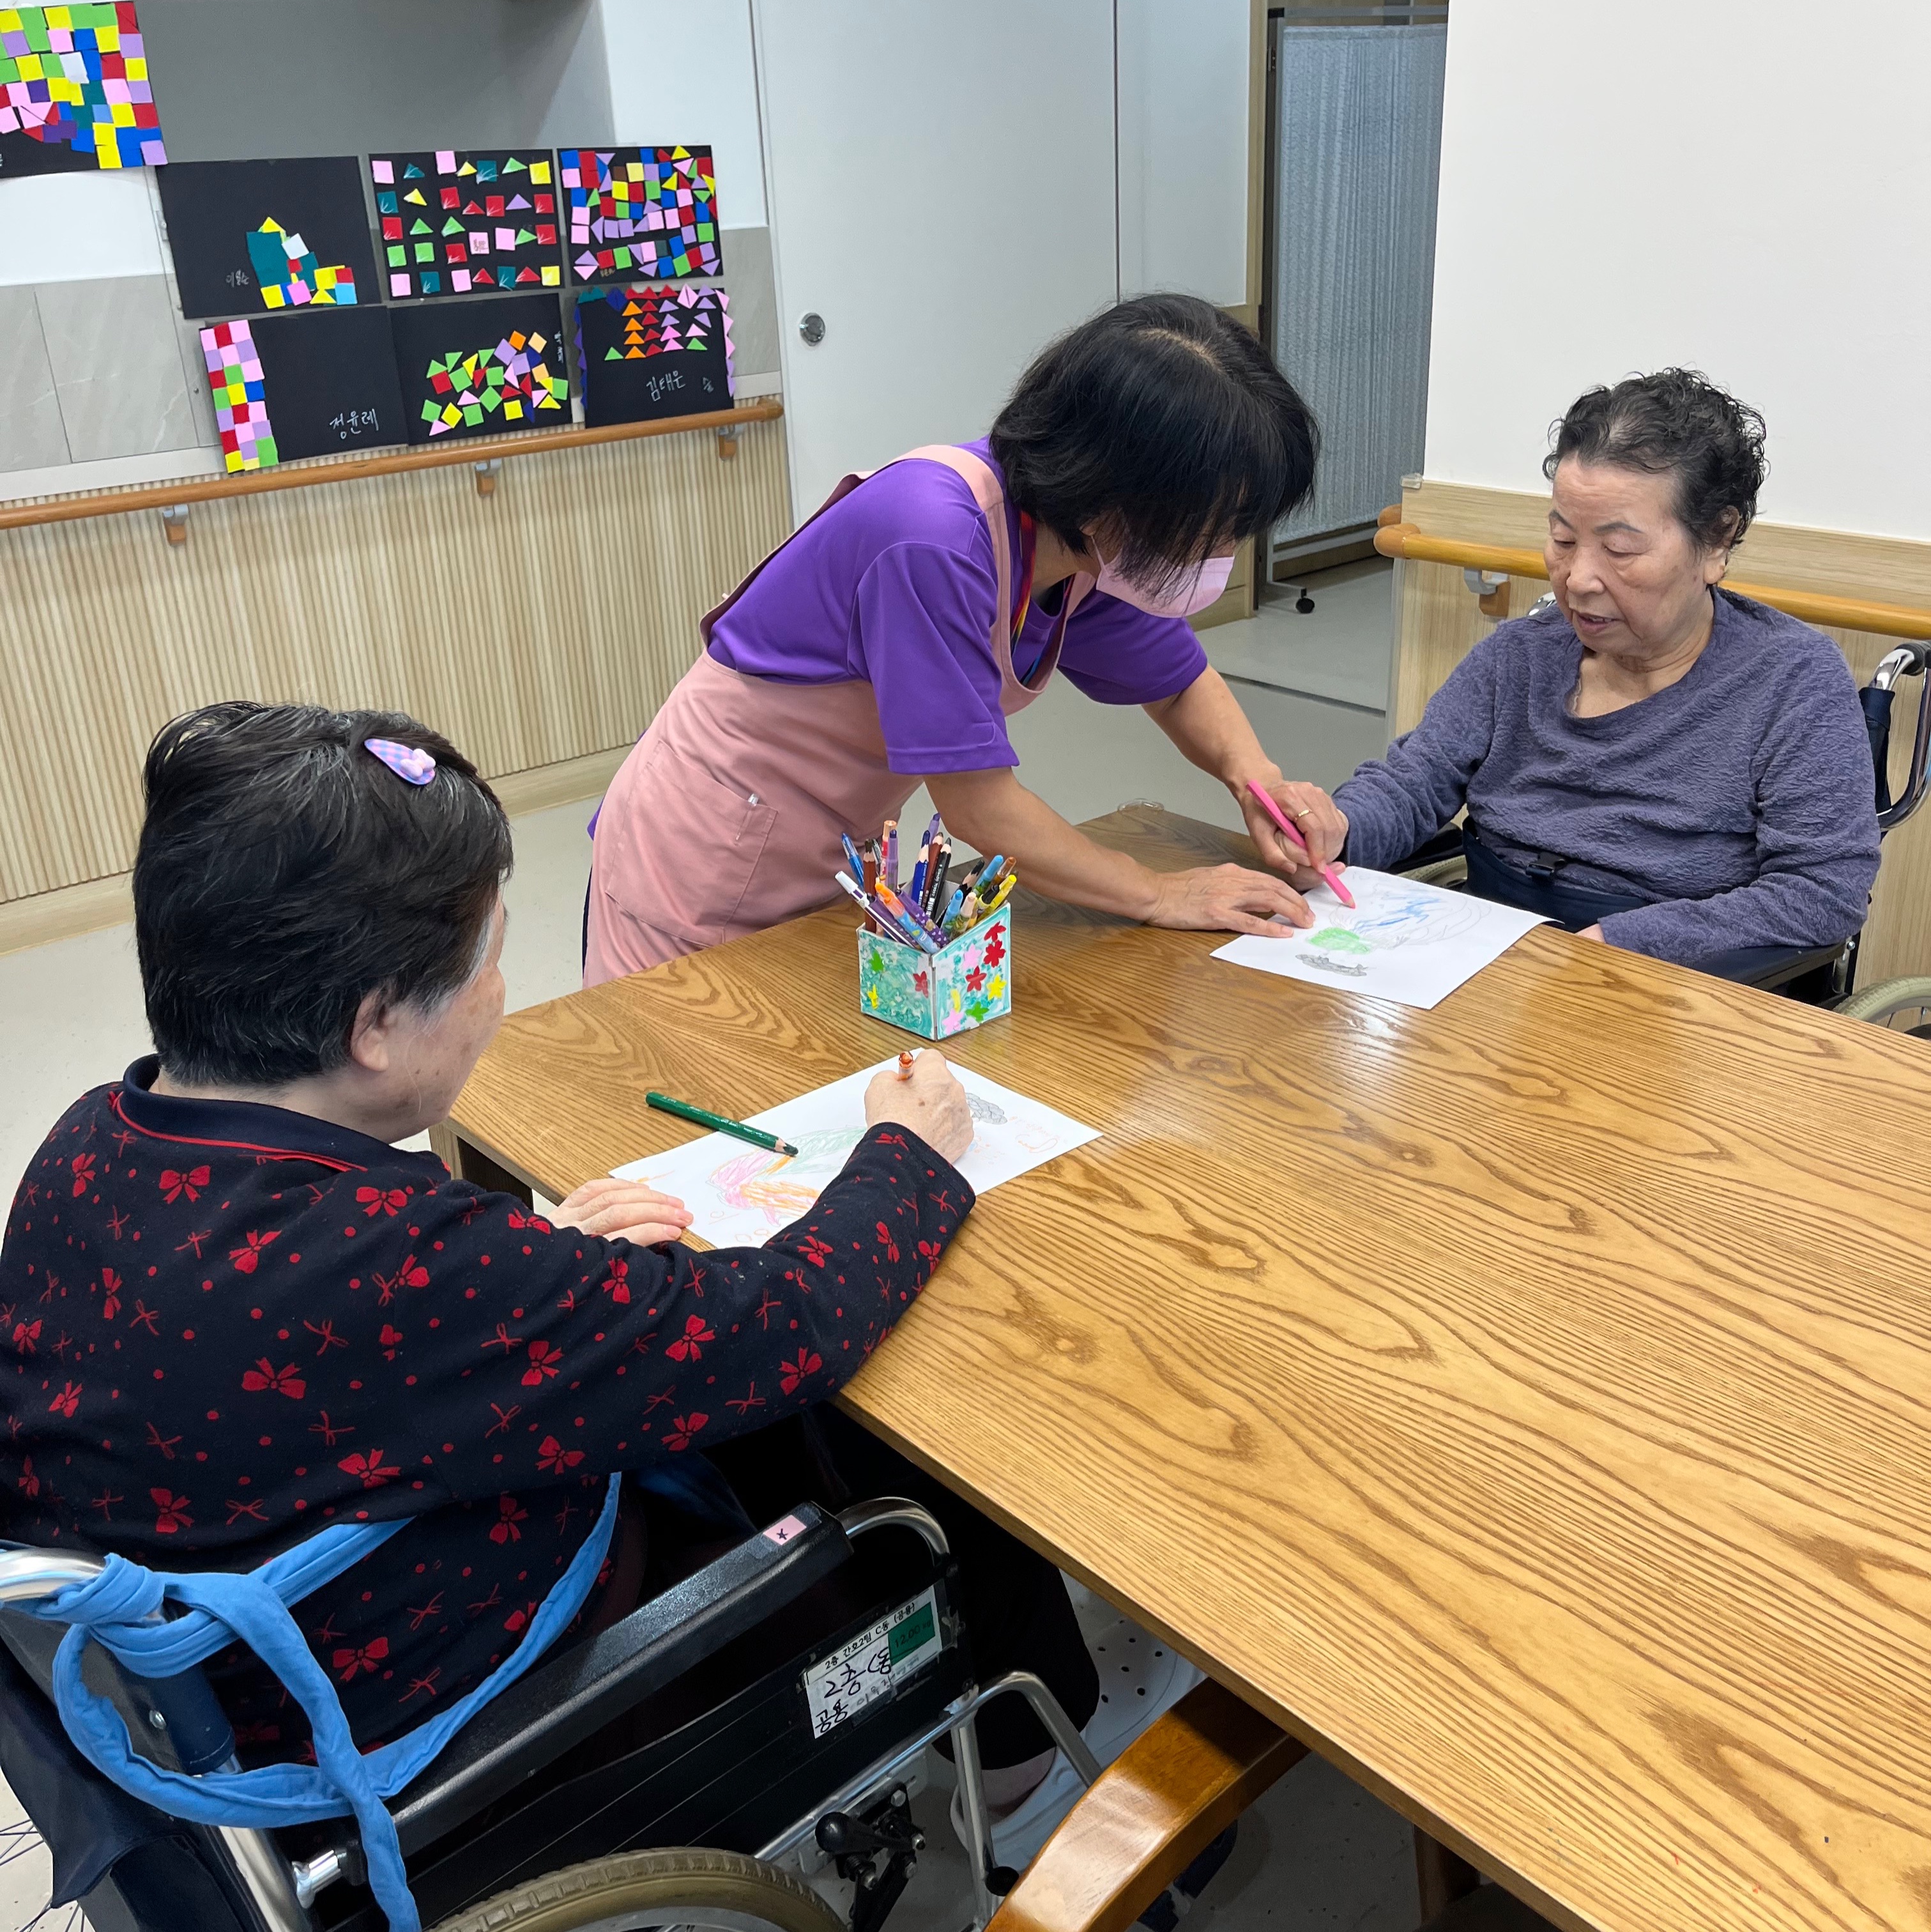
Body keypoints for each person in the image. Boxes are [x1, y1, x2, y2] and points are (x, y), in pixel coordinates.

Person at [0, 702, 1095, 1796]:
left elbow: (346, 1330)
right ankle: (1028, 1771)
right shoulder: (403, 1266)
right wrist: (908, 1153)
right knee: (900, 1433)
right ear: (373, 1026)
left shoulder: (86, 1144)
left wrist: (516, 1273)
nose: (499, 991)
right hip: (481, 1720)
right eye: (486, 959)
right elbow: (793, 1325)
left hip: (225, 1676)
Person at [584, 293, 1330, 986]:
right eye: (1213, 526)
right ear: (1117, 496)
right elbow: (979, 807)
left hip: (828, 845)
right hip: (705, 845)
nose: (1221, 551)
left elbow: (1174, 683)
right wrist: (1157, 892)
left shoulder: (1080, 549)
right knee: (673, 1055)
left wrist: (1258, 783)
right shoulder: (932, 539)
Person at [1269, 371, 1881, 970]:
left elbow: (1821, 891)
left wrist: (1624, 942)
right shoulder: (1521, 655)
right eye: (1563, 541)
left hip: (1670, 986)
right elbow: (1412, 782)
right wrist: (1338, 828)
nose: (1579, 578)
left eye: (1619, 550)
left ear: (1717, 540)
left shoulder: (1791, 681)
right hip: (1492, 959)